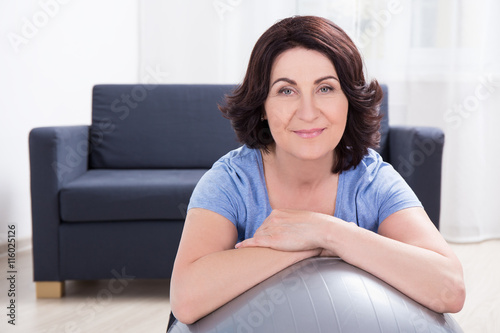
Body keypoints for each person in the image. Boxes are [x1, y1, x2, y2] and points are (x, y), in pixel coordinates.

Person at [169, 15, 465, 325]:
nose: (308, 113)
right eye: (286, 91)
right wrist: (315, 247)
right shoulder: (231, 181)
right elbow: (186, 301)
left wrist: (326, 231)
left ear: (348, 100)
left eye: (325, 88)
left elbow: (450, 288)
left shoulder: (372, 180)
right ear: (262, 107)